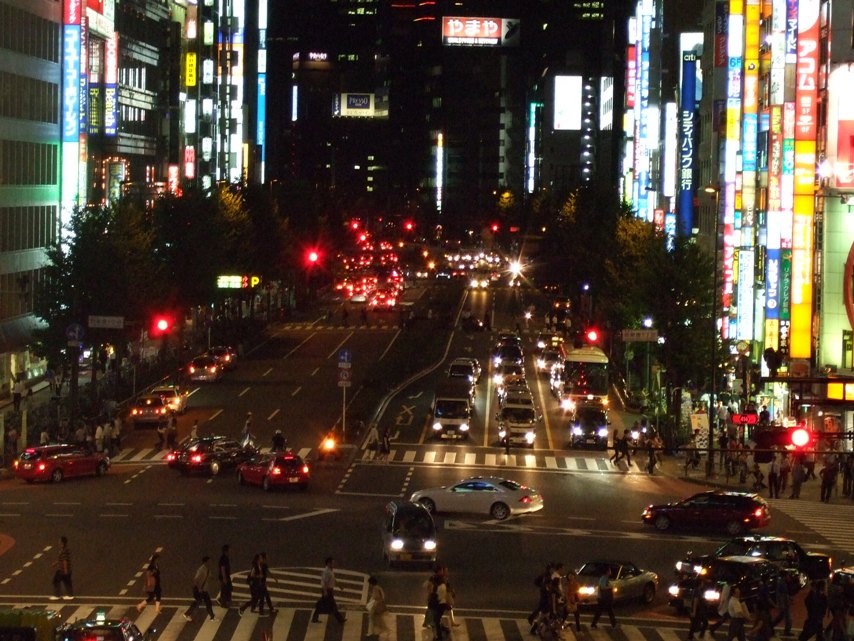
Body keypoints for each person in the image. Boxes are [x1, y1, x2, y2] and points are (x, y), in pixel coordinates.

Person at [311, 557, 346, 624]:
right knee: (332, 605)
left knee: (321, 604)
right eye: (333, 563)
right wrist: (325, 591)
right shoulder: (327, 572)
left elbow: (333, 580)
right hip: (327, 590)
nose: (334, 564)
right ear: (329, 563)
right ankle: (340, 619)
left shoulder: (330, 570)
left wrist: (339, 586)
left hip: (329, 590)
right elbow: (325, 583)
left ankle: (315, 618)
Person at [183, 556, 216, 622]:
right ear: (206, 562)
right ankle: (187, 614)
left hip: (204, 590)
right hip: (200, 590)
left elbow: (210, 577)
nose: (211, 562)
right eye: (209, 561)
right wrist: (199, 588)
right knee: (200, 602)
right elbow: (195, 580)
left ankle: (212, 617)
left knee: (206, 602)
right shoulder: (201, 570)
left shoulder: (207, 569)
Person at [366, 576, 390, 640]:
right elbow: (382, 596)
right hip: (380, 606)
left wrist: (374, 607)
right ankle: (374, 632)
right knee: (377, 620)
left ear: (371, 583)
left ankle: (375, 632)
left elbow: (377, 597)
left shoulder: (375, 588)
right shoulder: (379, 587)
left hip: (376, 606)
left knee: (374, 619)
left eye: (369, 583)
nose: (369, 585)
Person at [50, 536, 73, 601]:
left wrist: (65, 570)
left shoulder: (64, 551)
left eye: (59, 541)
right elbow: (61, 559)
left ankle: (57, 595)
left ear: (62, 542)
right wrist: (55, 563)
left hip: (63, 570)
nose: (58, 543)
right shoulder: (65, 550)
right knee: (67, 582)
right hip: (66, 569)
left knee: (56, 581)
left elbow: (65, 560)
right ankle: (70, 595)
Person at [771, 571, 793, 636]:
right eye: (788, 575)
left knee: (781, 617)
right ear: (785, 576)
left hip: (784, 603)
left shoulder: (783, 583)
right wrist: (783, 604)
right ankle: (786, 631)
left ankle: (771, 626)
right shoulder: (781, 583)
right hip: (784, 604)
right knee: (788, 618)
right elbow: (780, 595)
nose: (789, 577)